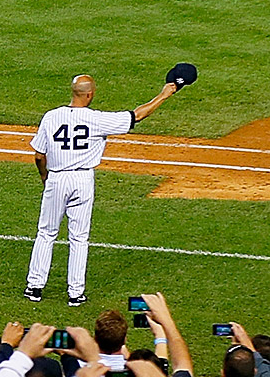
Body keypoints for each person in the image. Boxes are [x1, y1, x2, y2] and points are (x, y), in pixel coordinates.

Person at [25, 73, 180, 306]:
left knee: (46, 233)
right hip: (83, 180)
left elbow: (39, 155)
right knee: (79, 238)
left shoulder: (51, 117)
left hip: (56, 179)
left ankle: (34, 287)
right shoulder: (96, 119)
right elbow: (137, 115)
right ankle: (75, 294)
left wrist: (46, 178)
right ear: (89, 94)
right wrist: (164, 95)